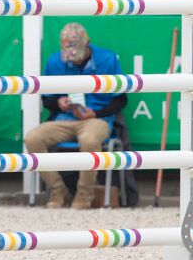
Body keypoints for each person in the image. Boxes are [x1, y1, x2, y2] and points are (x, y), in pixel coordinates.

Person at [25, 23, 126, 209]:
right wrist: (58, 103)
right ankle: (57, 190)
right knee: (32, 138)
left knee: (89, 140)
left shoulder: (108, 59)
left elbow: (121, 100)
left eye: (77, 55)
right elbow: (47, 100)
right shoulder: (55, 61)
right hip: (64, 118)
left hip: (97, 119)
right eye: (68, 55)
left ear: (87, 44)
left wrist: (96, 113)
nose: (74, 60)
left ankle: (84, 195)